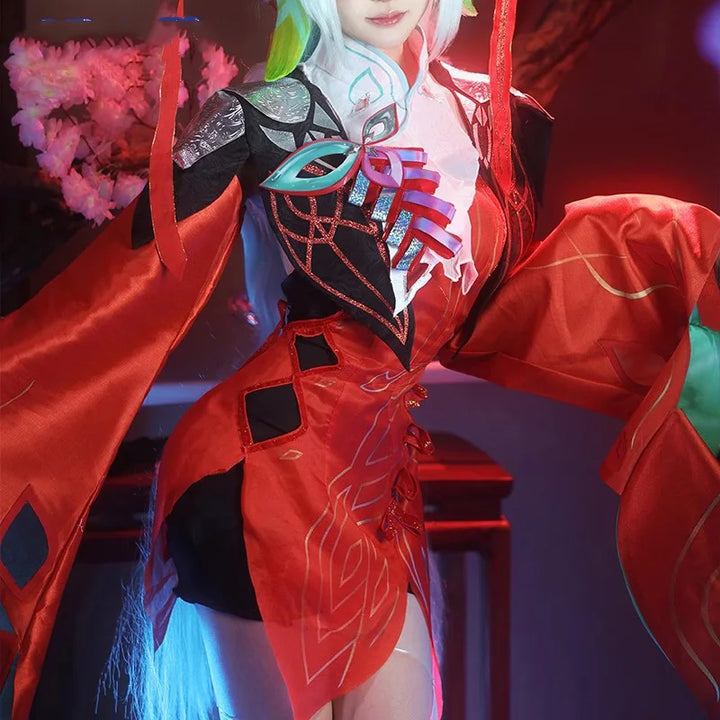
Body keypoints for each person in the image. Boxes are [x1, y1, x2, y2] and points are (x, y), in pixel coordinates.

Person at [0, 1, 718, 719]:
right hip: (255, 477)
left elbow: (509, 310)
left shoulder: (495, 118)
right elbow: (114, 293)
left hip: (375, 490)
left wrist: (679, 259)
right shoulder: (262, 114)